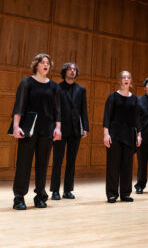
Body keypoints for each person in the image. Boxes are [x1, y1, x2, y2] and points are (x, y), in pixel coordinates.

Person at [11, 54, 61, 210]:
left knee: (43, 164)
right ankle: (19, 197)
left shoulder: (54, 86)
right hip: (29, 128)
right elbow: (19, 105)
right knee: (23, 163)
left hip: (47, 129)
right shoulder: (27, 82)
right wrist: (15, 126)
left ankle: (40, 196)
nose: (46, 65)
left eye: (48, 63)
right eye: (42, 62)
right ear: (36, 65)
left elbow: (57, 109)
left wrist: (58, 127)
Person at [50, 62, 89, 200]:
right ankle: (55, 190)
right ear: (64, 72)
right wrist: (55, 126)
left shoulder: (81, 89)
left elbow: (83, 109)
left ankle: (68, 190)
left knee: (71, 161)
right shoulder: (57, 87)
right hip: (60, 128)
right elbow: (55, 109)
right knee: (57, 160)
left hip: (75, 129)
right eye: (69, 69)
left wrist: (85, 127)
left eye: (74, 69)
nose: (72, 71)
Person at [103, 71, 142, 203]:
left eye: (128, 77)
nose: (126, 79)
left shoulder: (134, 99)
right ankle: (112, 194)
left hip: (129, 135)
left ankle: (125, 193)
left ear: (131, 81)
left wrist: (139, 135)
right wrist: (106, 134)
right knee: (113, 165)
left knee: (127, 165)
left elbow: (137, 118)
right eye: (123, 77)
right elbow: (107, 117)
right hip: (114, 134)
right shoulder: (112, 96)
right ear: (120, 80)